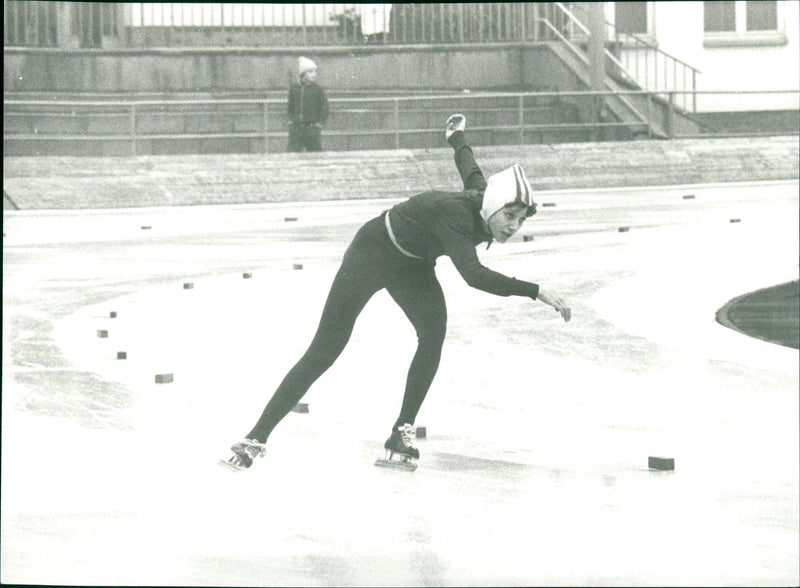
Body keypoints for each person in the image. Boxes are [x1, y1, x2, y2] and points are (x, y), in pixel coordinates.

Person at [221, 114, 571, 471]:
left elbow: (469, 165)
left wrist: (456, 136)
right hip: (372, 252)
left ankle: (400, 431)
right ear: (493, 206)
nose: (513, 226)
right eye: (509, 215)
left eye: (521, 220)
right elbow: (474, 276)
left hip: (413, 265)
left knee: (433, 335)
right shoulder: (456, 216)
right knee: (326, 349)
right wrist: (535, 290)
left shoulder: (483, 198)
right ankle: (255, 437)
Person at [287, 56, 329, 152]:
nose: (314, 74)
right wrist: (291, 120)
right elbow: (290, 106)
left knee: (316, 155)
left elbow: (325, 107)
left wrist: (319, 124)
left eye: (314, 71)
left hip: (312, 128)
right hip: (297, 129)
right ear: (303, 74)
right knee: (292, 155)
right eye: (310, 72)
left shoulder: (318, 89)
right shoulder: (294, 88)